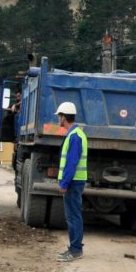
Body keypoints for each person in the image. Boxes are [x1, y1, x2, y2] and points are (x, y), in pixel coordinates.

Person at [55, 102, 86, 262]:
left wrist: (64, 183)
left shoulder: (74, 136)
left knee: (73, 216)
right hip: (75, 181)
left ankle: (75, 250)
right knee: (73, 216)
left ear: (63, 117)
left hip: (73, 182)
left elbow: (71, 163)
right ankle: (75, 248)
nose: (58, 119)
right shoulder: (76, 134)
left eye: (59, 116)